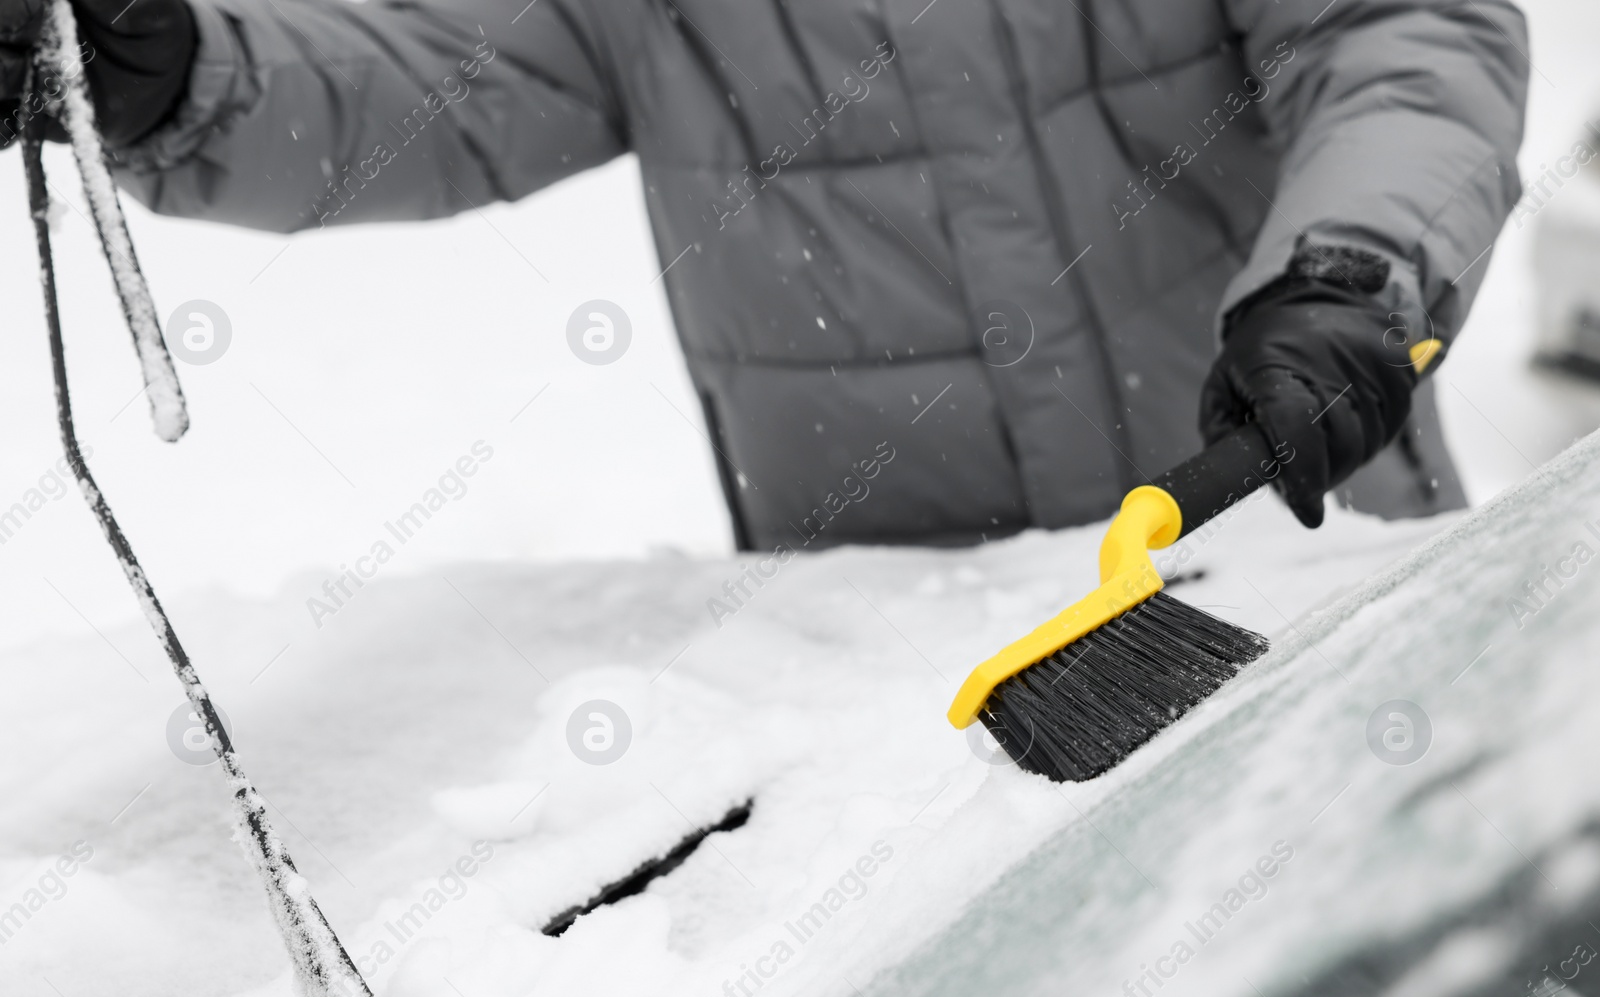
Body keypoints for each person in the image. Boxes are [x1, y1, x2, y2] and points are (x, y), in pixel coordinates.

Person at [0, 0, 1528, 549]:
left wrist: (1352, 274)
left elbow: (1399, 39)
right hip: (920, 675)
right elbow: (428, 78)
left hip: (1291, 530)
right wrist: (176, 71)